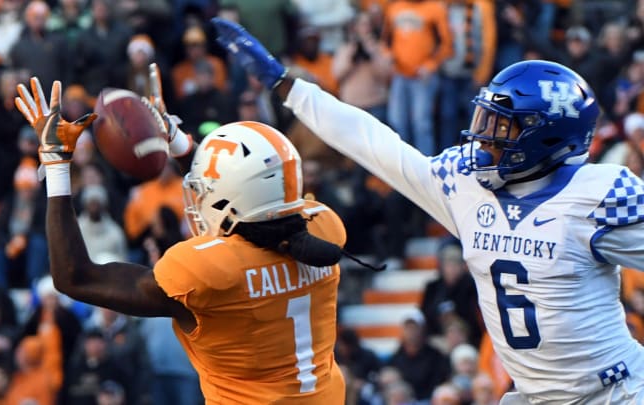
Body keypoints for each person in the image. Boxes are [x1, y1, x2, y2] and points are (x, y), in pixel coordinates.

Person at [213, 17, 644, 404]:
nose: (484, 140)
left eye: (501, 129)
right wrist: (291, 87)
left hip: (612, 393)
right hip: (532, 396)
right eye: (486, 123)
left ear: (546, 137)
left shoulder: (601, 194)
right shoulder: (466, 184)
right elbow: (375, 144)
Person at [14, 64, 353, 403]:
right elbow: (244, 198)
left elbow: (75, 277)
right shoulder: (325, 227)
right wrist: (176, 141)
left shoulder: (211, 273)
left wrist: (57, 165)